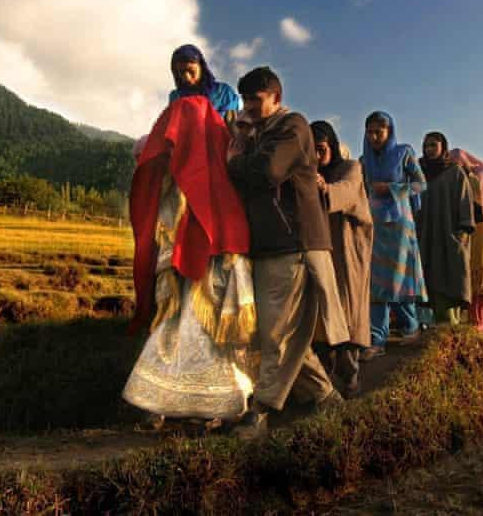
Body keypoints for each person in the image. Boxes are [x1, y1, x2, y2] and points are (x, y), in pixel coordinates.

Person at [123, 46, 256, 428]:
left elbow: (233, 135)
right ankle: (163, 400)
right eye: (179, 70)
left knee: (208, 318)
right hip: (187, 230)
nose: (185, 76)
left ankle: (213, 404)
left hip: (215, 217)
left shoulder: (224, 100)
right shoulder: (175, 107)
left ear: (203, 68)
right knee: (176, 318)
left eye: (190, 69)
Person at [227, 67, 349, 436]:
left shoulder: (293, 127)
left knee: (276, 331)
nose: (248, 107)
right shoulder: (260, 133)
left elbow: (267, 172)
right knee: (284, 327)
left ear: (276, 98)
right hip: (271, 243)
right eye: (244, 100)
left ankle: (261, 411)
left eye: (255, 100)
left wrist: (234, 158)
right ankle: (325, 397)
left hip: (292, 241)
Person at [311, 120, 372, 398]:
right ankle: (322, 384)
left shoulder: (350, 168)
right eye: (310, 150)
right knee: (321, 314)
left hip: (347, 252)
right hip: (320, 251)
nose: (316, 155)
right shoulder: (307, 173)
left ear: (332, 146)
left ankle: (349, 378)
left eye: (321, 148)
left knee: (346, 312)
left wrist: (325, 188)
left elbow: (347, 191)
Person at [360, 111, 427, 359]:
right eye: (370, 132)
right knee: (376, 281)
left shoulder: (404, 153)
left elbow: (421, 184)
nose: (375, 136)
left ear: (390, 131)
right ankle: (377, 339)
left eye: (379, 131)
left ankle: (411, 328)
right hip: (373, 224)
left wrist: (391, 188)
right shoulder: (363, 161)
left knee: (400, 276)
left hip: (399, 225)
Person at [416, 132, 474, 326]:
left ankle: (450, 327)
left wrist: (462, 231)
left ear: (443, 147)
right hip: (425, 234)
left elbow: (465, 201)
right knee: (427, 275)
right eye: (426, 146)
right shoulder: (418, 172)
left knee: (450, 275)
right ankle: (431, 326)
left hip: (449, 233)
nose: (429, 150)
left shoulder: (454, 171)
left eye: (433, 145)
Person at [451, 148, 483, 332]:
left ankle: (479, 319)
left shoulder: (482, 173)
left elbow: (479, 195)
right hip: (466, 232)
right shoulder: (455, 176)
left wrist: (466, 175)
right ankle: (481, 319)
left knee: (482, 275)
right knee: (471, 277)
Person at [168, 44, 242, 121]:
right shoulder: (175, 97)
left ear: (201, 67)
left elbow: (232, 126)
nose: (187, 77)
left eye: (191, 71)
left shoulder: (223, 92)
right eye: (181, 72)